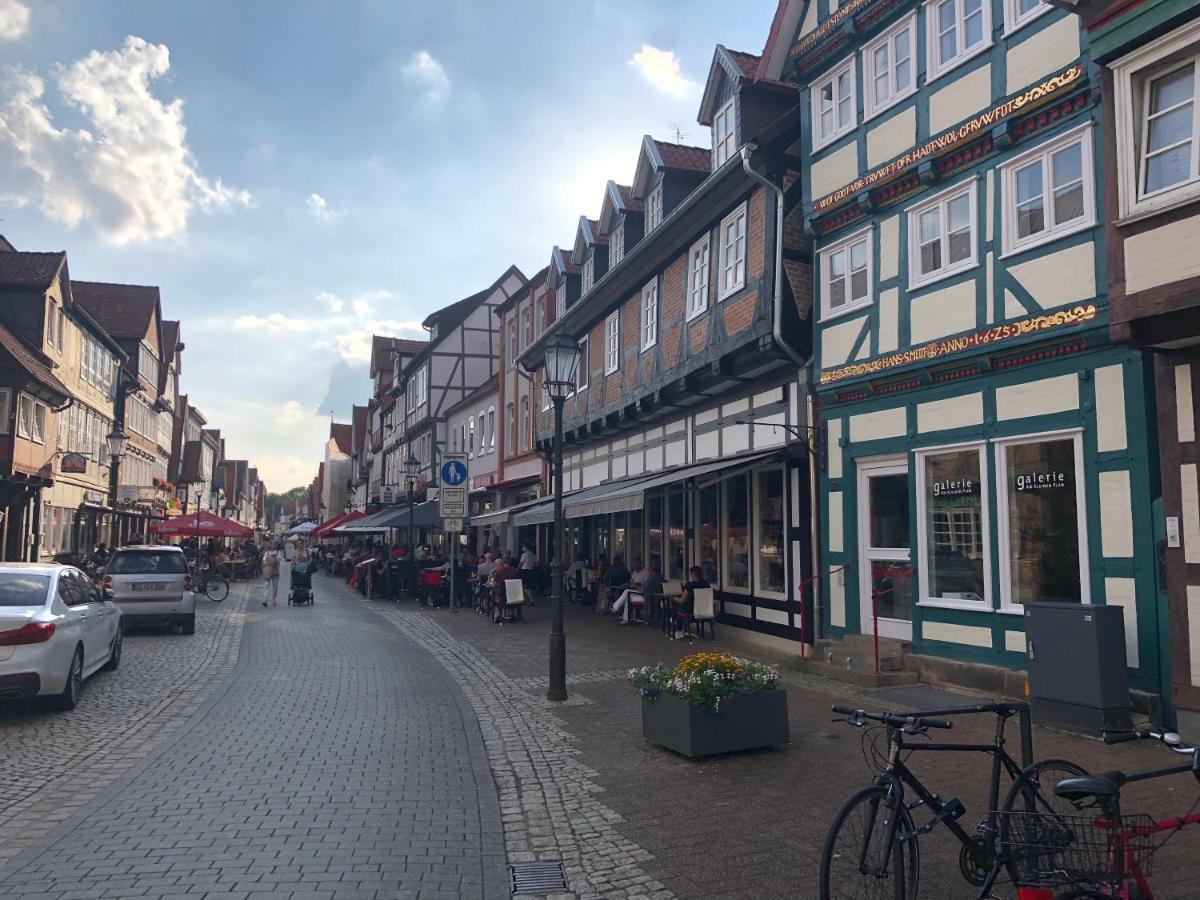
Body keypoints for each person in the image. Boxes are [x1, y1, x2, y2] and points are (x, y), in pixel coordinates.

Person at [670, 565, 710, 640]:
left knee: (675, 609)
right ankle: (682, 629)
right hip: (704, 610)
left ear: (693, 574)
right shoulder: (706, 584)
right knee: (680, 607)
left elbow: (682, 600)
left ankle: (679, 630)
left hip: (691, 610)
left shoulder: (690, 585)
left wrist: (673, 598)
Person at [610, 558, 653, 624]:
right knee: (627, 595)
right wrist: (630, 583)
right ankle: (625, 619)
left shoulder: (645, 572)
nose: (634, 567)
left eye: (636, 565)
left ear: (640, 564)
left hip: (643, 594)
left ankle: (616, 608)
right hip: (634, 592)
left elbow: (645, 584)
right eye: (633, 566)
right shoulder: (634, 572)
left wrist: (638, 584)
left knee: (627, 592)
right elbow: (631, 581)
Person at [261, 542, 282, 607]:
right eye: (271, 544)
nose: (272, 545)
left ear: (275, 545)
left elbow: (278, 560)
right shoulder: (266, 553)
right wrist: (271, 561)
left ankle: (273, 599)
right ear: (270, 545)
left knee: (275, 587)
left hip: (275, 571)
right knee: (266, 586)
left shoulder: (278, 552)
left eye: (274, 544)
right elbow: (264, 561)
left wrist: (269, 560)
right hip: (268, 571)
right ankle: (265, 600)